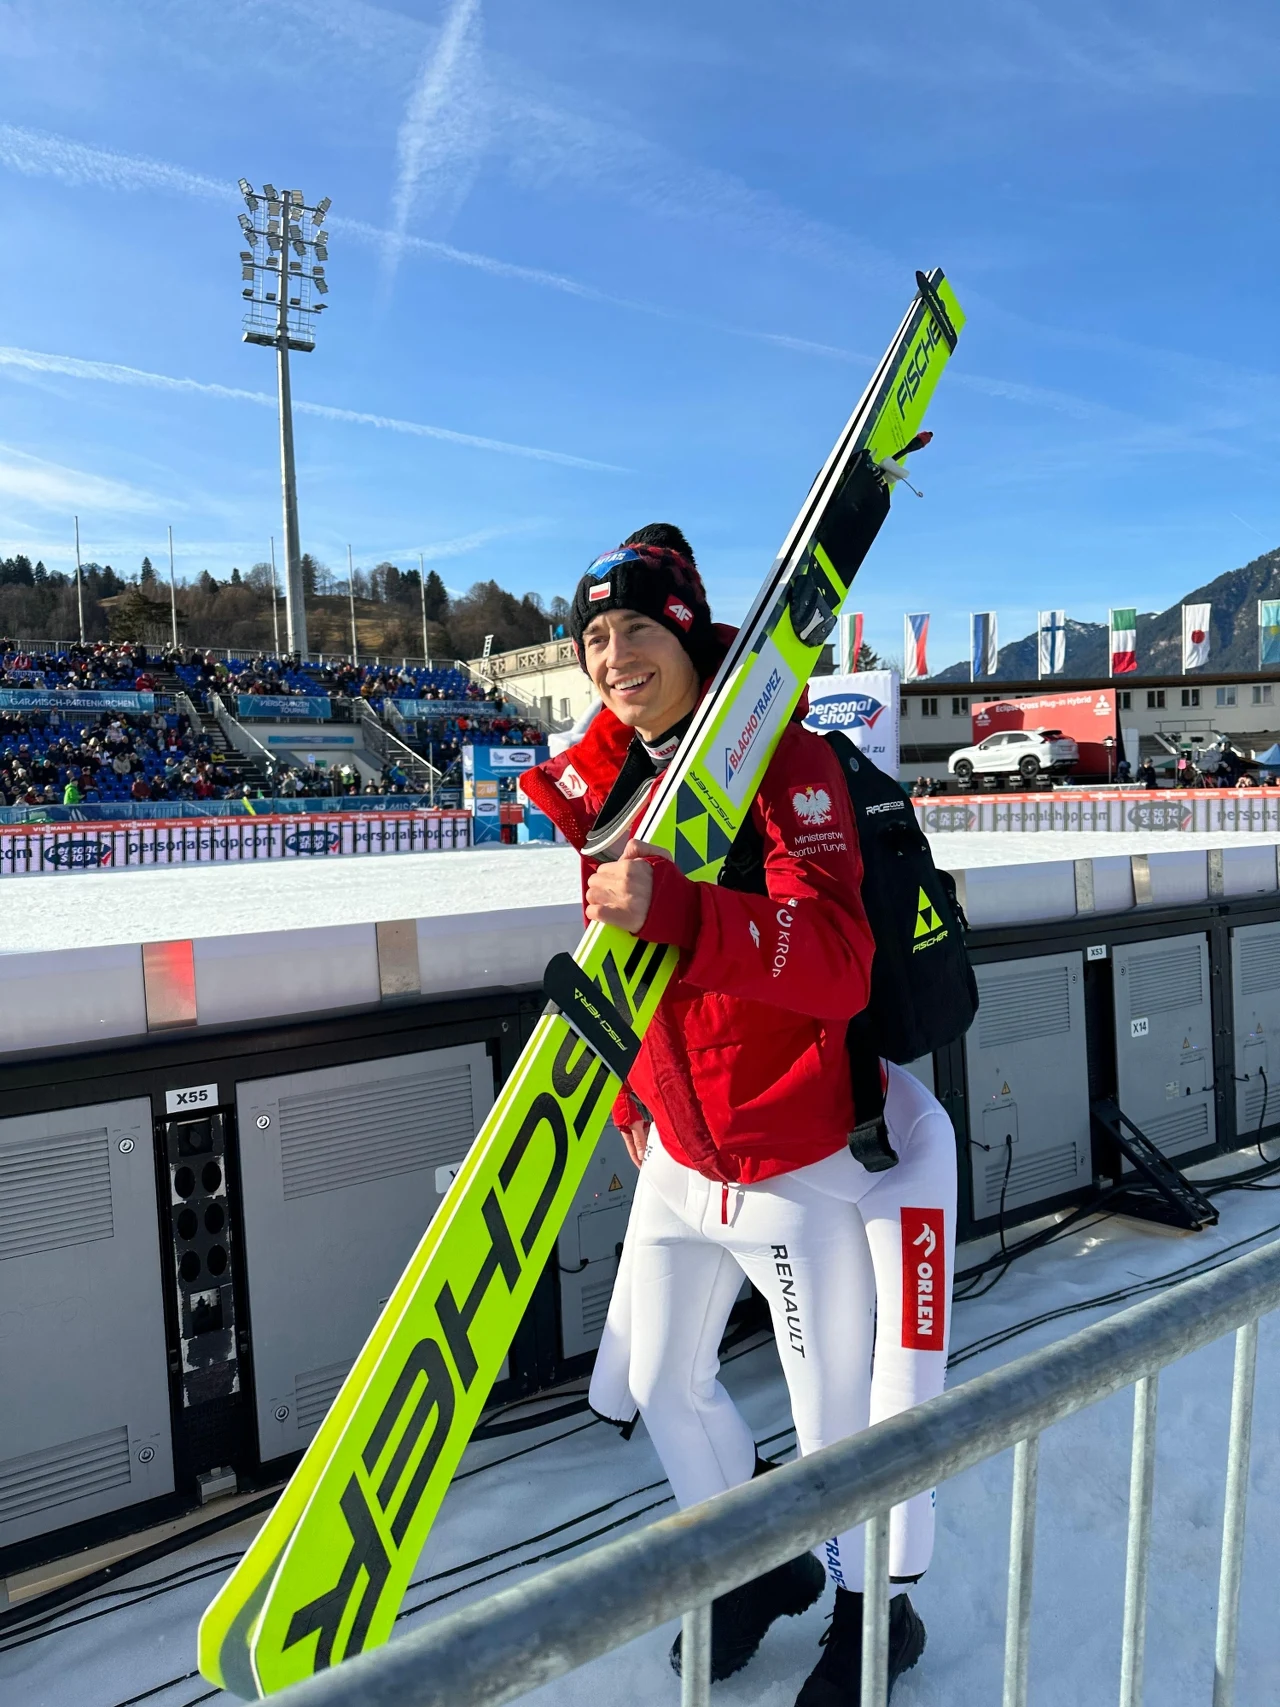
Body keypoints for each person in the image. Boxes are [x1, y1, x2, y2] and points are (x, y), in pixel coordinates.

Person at [521, 524, 955, 1705]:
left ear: (690, 635)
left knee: (836, 1438)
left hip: (800, 1158)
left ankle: (878, 1619)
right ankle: (761, 1568)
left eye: (636, 630)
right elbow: (617, 965)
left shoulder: (786, 762)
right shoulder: (613, 778)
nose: (613, 657)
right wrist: (625, 1102)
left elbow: (835, 961)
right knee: (666, 1390)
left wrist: (682, 910)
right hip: (678, 1154)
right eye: (593, 637)